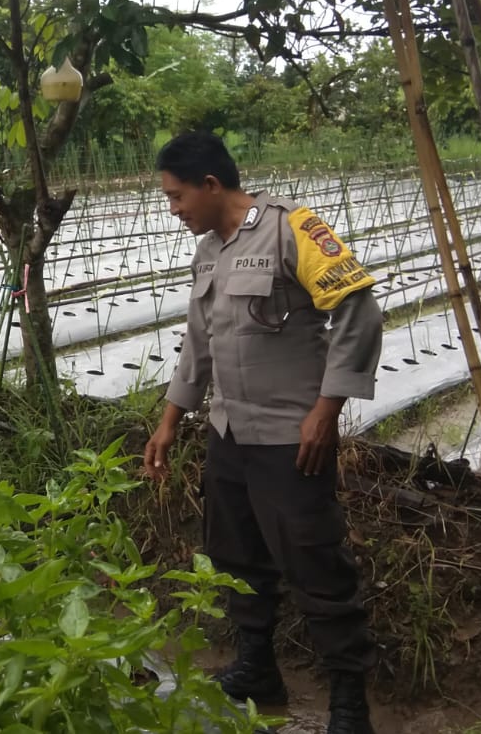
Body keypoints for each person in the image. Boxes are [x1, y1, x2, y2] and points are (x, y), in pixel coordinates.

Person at [142, 131, 383, 734]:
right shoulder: (208, 253)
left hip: (288, 436)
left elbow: (359, 310)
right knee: (235, 556)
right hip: (228, 432)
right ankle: (257, 670)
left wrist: (326, 411)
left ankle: (349, 706)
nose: (174, 210)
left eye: (177, 197)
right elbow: (199, 344)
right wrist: (171, 421)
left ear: (212, 185)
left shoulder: (292, 229)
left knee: (314, 564)